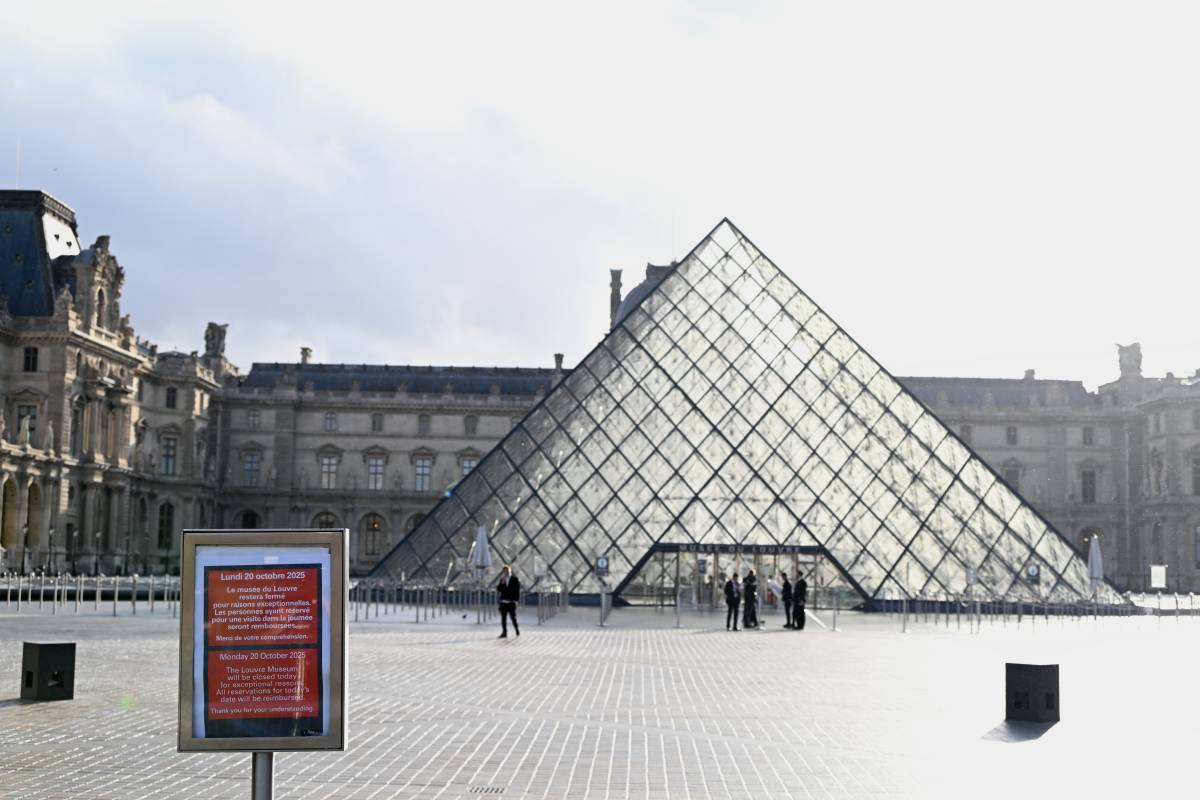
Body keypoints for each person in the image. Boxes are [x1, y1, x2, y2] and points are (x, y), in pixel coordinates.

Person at [496, 565, 521, 638]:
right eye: (504, 571)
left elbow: (517, 590)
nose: (505, 572)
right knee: (503, 618)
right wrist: (502, 583)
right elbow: (498, 589)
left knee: (513, 617)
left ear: (510, 571)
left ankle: (516, 629)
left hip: (511, 602)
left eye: (506, 571)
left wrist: (516, 600)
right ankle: (504, 632)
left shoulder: (515, 579)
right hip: (503, 601)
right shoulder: (502, 579)